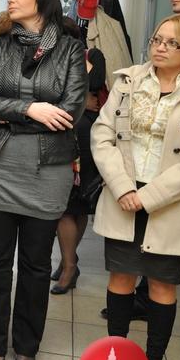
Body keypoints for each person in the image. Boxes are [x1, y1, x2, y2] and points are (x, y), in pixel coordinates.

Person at [0, 0, 87, 360]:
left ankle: (27, 346)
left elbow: (71, 112)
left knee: (36, 266)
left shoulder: (70, 50)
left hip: (47, 171)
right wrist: (29, 109)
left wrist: (4, 112)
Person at [92, 13, 180, 360]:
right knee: (120, 279)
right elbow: (102, 134)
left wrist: (149, 197)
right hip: (123, 194)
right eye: (156, 39)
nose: (160, 47)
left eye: (172, 43)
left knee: (162, 285)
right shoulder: (128, 81)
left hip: (171, 202)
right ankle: (116, 358)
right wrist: (122, 188)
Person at [50, 18, 107, 294]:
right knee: (63, 204)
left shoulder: (92, 55)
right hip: (61, 133)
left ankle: (68, 263)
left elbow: (95, 81)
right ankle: (70, 262)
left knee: (79, 203)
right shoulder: (50, 60)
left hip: (86, 135)